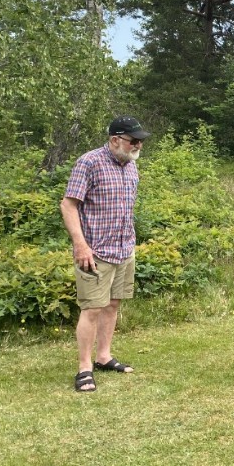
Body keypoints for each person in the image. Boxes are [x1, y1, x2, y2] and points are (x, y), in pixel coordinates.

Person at [60, 116, 150, 392]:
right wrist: (80, 245)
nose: (138, 146)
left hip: (124, 249)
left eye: (140, 142)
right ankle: (84, 368)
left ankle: (103, 357)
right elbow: (68, 205)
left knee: (112, 305)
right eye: (133, 141)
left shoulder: (131, 166)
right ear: (115, 140)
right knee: (92, 309)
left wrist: (131, 244)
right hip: (95, 251)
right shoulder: (89, 162)